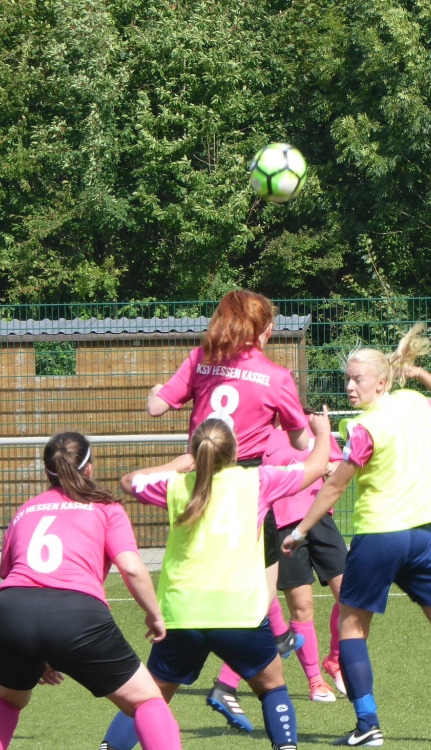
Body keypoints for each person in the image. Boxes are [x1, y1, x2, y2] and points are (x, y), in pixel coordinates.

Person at [281, 324, 431, 746]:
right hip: (421, 538)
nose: (349, 386)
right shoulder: (415, 404)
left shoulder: (365, 426)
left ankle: (367, 725)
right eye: (347, 379)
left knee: (351, 630)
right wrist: (420, 374)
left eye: (357, 379)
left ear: (381, 382)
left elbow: (336, 485)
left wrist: (301, 530)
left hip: (380, 536)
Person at [97, 414, 333, 750]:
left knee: (149, 698)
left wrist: (179, 464)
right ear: (234, 451)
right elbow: (317, 466)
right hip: (239, 613)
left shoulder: (176, 485)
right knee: (272, 687)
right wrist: (322, 432)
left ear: (195, 452)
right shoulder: (258, 481)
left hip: (183, 613)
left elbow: (128, 481)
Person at [146, 288, 311, 729]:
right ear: (263, 329)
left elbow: (157, 407)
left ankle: (227, 671)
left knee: (198, 575)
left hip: (198, 484)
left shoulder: (201, 359)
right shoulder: (276, 376)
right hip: (248, 486)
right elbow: (302, 443)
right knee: (258, 596)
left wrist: (155, 390)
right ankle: (247, 667)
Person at [0, 432, 181, 750]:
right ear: (89, 467)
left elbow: (13, 574)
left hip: (11, 612)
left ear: (48, 471)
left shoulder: (25, 509)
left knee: (6, 700)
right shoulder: (106, 507)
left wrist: (40, 648)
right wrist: (155, 614)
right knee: (147, 700)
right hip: (77, 615)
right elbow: (132, 568)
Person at [215, 416, 348, 706]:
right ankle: (315, 681)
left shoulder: (312, 424)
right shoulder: (257, 433)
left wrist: (332, 467)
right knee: (302, 607)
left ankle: (335, 659)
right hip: (283, 526)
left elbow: (339, 463)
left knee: (350, 596)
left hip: (321, 519)